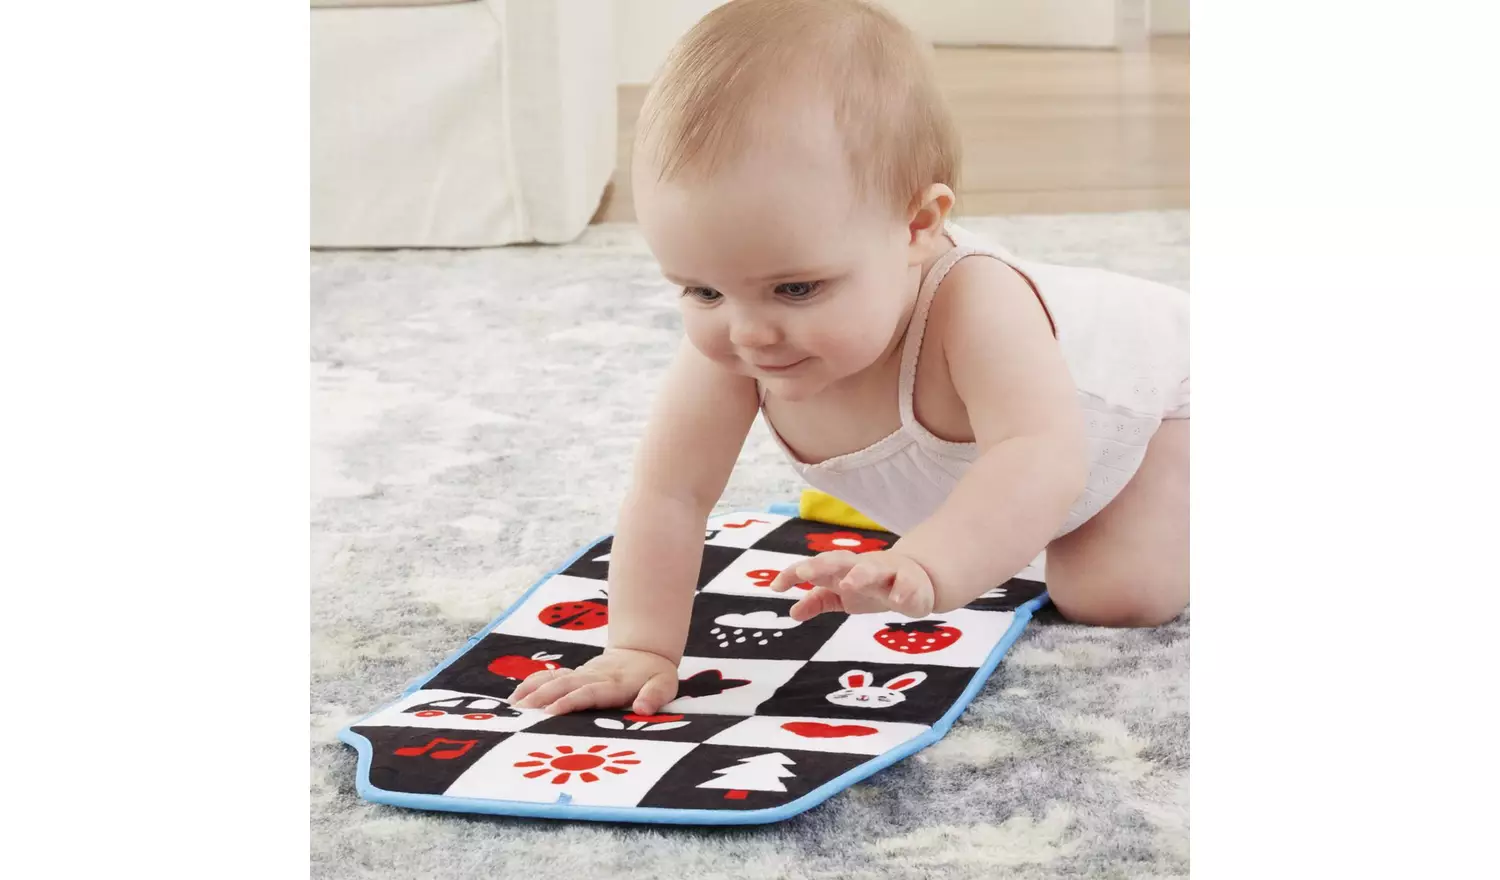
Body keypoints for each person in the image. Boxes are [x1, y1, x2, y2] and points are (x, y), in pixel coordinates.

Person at [513, 0, 1189, 717]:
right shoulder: (740, 339)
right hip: (1039, 475)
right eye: (703, 290)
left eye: (796, 288)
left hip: (1166, 404)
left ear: (917, 225)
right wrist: (639, 648)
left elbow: (1041, 456)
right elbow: (669, 494)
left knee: (1116, 596)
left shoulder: (977, 301)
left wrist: (928, 563)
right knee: (1009, 534)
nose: (749, 333)